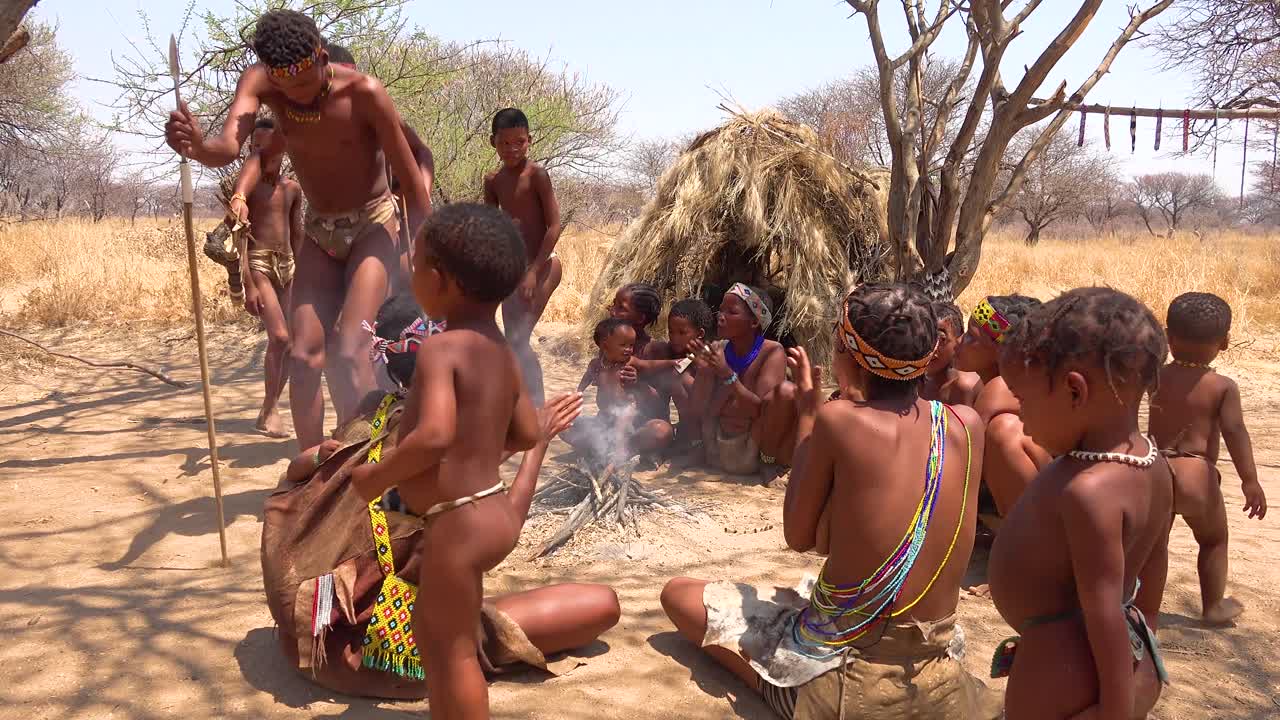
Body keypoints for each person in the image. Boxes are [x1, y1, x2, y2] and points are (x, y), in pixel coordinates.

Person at [660, 283, 1000, 720]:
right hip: (934, 670)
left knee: (678, 595)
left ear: (849, 355)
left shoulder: (839, 420)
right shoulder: (965, 423)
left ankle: (765, 681)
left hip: (850, 685)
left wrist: (807, 410)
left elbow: (799, 536)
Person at [264, 293, 619, 701]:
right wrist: (536, 445)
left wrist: (317, 454)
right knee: (601, 604)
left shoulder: (373, 411)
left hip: (307, 643)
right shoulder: (439, 440)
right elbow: (499, 533)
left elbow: (302, 479)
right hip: (377, 653)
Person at [166, 9, 432, 451]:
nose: (300, 100)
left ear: (322, 58)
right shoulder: (262, 82)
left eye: (308, 87)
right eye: (288, 92)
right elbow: (229, 147)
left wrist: (425, 251)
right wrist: (197, 146)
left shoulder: (365, 93)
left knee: (350, 351)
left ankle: (357, 463)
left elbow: (412, 175)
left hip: (372, 227)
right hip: (321, 233)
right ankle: (312, 469)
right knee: (304, 355)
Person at [348, 203, 540, 720]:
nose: (410, 280)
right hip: (490, 512)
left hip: (455, 524)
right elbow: (527, 431)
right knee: (437, 636)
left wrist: (376, 477)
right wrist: (476, 452)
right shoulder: (501, 350)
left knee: (449, 653)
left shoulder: (441, 350)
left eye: (414, 269)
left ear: (439, 280)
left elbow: (433, 435)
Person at [988, 287, 1174, 720]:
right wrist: (1146, 649)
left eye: (1024, 398)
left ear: (1075, 392)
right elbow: (1155, 566)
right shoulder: (1154, 462)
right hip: (1119, 649)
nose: (1021, 413)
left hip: (1061, 663)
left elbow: (1103, 608)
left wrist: (1114, 712)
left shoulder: (1087, 490)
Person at [1149, 292, 1267, 625]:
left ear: (1169, 337)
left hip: (1154, 470)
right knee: (1214, 540)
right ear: (1226, 341)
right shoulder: (1222, 386)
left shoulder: (1155, 375)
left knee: (1153, 546)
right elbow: (1235, 431)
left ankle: (1144, 608)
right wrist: (1250, 480)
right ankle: (1213, 606)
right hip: (1196, 474)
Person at [228, 116, 303, 439]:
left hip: (288, 266)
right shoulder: (246, 191)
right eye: (255, 145)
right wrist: (245, 283)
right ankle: (270, 408)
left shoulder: (291, 189)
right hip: (258, 264)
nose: (261, 152)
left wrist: (306, 277)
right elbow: (238, 240)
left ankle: (267, 408)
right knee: (280, 338)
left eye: (268, 145)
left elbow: (297, 234)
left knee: (291, 344)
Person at [484, 108, 563, 407]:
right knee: (514, 342)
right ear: (493, 142)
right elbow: (492, 228)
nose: (513, 149)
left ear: (529, 140)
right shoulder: (493, 180)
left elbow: (554, 226)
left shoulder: (537, 175)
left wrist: (533, 271)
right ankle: (519, 406)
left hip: (544, 265)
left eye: (519, 142)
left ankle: (538, 409)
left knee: (518, 339)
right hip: (512, 271)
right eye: (505, 143)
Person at [955, 294, 1049, 521]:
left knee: (1004, 431)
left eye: (971, 338)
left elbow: (964, 457)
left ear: (1001, 352)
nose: (959, 342)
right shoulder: (982, 383)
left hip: (1048, 518)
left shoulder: (1000, 388)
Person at [690, 283, 788, 478]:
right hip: (718, 447)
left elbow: (760, 411)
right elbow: (698, 409)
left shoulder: (772, 351)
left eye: (731, 312)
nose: (720, 316)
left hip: (753, 445)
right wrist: (704, 373)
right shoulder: (719, 349)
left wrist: (727, 374)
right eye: (721, 310)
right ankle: (697, 450)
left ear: (754, 322)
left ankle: (768, 463)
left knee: (785, 394)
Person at [565, 318, 673, 460]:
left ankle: (623, 450)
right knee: (565, 425)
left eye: (631, 345)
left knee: (660, 430)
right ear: (605, 345)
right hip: (603, 421)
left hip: (630, 423)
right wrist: (578, 392)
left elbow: (651, 365)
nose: (629, 349)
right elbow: (587, 377)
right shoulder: (596, 365)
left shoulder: (629, 363)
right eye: (623, 345)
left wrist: (673, 362)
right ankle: (603, 447)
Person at [641, 298, 716, 450]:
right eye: (671, 331)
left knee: (677, 377)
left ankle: (696, 443)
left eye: (682, 333)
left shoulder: (709, 355)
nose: (674, 338)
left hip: (710, 428)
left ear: (700, 333)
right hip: (686, 425)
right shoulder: (672, 352)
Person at [921, 301, 983, 408]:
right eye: (924, 337)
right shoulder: (916, 380)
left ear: (959, 339)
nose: (931, 347)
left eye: (941, 339)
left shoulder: (962, 387)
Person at [607, 282, 662, 358]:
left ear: (640, 318)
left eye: (621, 307)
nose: (612, 311)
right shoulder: (610, 342)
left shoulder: (653, 351)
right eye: (614, 304)